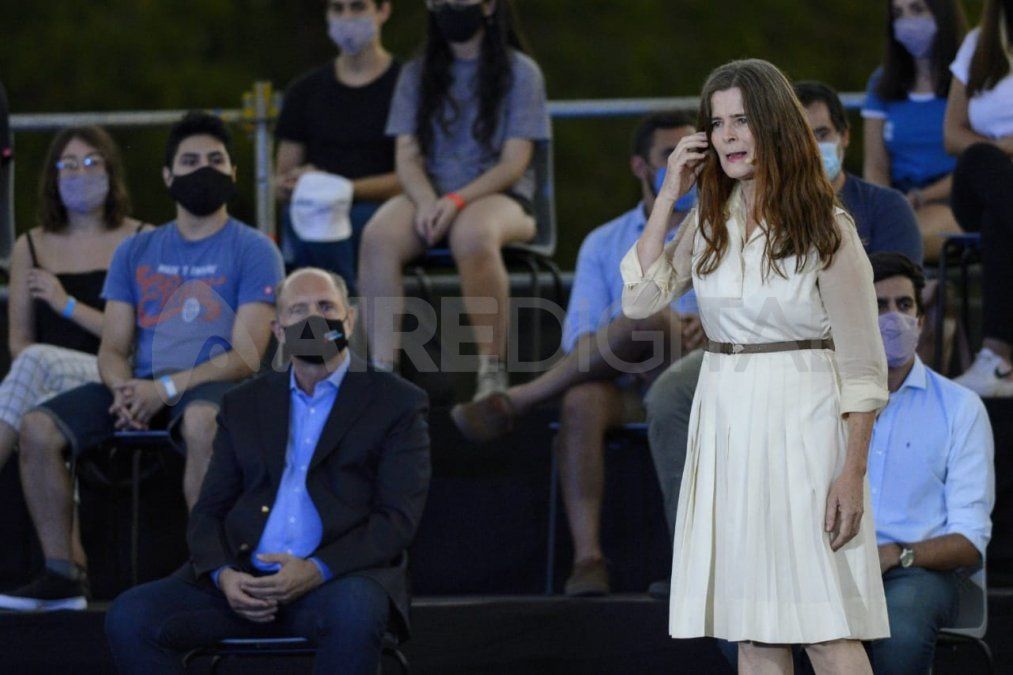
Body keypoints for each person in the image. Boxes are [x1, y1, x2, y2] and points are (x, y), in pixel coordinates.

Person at [624, 59, 888, 672]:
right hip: (728, 424)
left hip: (806, 424)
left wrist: (851, 473)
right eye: (717, 123)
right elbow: (640, 297)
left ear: (772, 123)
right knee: (754, 633)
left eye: (741, 119)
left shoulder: (826, 226)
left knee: (825, 627)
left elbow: (864, 366)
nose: (728, 136)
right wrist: (669, 194)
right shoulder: (708, 219)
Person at [0, 112, 284, 612]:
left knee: (202, 421)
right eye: (190, 161)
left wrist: (165, 390)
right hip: (143, 383)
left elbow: (245, 355)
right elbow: (113, 347)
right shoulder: (137, 250)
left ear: (234, 172)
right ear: (168, 176)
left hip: (212, 383)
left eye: (215, 160)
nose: (204, 169)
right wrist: (123, 390)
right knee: (39, 428)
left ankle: (210, 570)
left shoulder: (255, 248)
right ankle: (63, 573)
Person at [105, 268, 431, 675]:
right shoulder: (244, 403)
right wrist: (223, 575)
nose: (314, 320)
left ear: (349, 320)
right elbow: (209, 511)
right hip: (244, 582)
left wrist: (316, 570)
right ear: (279, 330)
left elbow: (397, 520)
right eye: (299, 310)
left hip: (338, 579)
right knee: (131, 616)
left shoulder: (396, 402)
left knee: (355, 611)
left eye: (326, 307)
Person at [450, 111, 704, 596]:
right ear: (640, 166)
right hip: (625, 378)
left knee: (648, 314)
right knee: (582, 398)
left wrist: (706, 327)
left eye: (692, 155)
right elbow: (581, 342)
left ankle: (520, 399)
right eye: (670, 156)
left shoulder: (724, 226)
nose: (685, 167)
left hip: (701, 372)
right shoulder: (604, 241)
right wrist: (630, 343)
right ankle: (588, 560)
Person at [358, 0, 550, 399]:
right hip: (430, 196)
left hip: (502, 196)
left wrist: (457, 201)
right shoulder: (416, 74)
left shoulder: (522, 72)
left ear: (488, 6)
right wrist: (428, 200)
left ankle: (491, 371)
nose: (449, 7)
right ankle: (383, 373)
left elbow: (514, 163)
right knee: (377, 237)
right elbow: (407, 156)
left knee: (473, 235)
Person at [864, 252, 994, 674]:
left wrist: (896, 554)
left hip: (918, 570)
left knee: (899, 635)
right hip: (835, 564)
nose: (893, 318)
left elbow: (970, 540)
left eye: (904, 305)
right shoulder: (824, 403)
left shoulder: (960, 408)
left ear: (920, 321)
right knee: (753, 632)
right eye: (878, 306)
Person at [1, 126, 146, 477]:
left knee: (34, 363)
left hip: (117, 374)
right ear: (53, 177)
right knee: (34, 372)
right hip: (50, 376)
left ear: (110, 171)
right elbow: (19, 341)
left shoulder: (141, 239)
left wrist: (66, 304)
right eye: (68, 164)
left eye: (92, 162)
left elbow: (139, 338)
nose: (81, 172)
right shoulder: (29, 246)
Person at [275, 0, 401, 291]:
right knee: (309, 219)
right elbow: (280, 179)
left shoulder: (407, 86)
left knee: (337, 224)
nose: (347, 17)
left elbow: (415, 176)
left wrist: (338, 188)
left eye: (357, 7)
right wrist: (294, 183)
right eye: (337, 9)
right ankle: (338, 307)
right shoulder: (304, 91)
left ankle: (336, 308)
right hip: (315, 209)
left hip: (382, 209)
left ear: (383, 11)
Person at [862, 0, 967, 262]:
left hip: (953, 197)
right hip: (898, 199)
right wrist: (889, 203)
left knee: (903, 239)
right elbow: (875, 164)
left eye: (917, 9)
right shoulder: (881, 82)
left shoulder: (969, 80)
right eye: (898, 14)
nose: (907, 21)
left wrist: (922, 196)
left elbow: (978, 161)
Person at [944, 0, 1013, 397]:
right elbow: (952, 134)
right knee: (979, 158)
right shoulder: (977, 45)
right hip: (980, 180)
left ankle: (996, 358)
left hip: (998, 208)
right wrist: (1002, 149)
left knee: (998, 218)